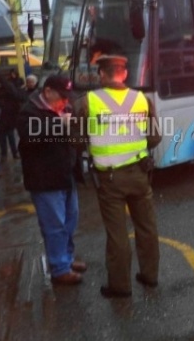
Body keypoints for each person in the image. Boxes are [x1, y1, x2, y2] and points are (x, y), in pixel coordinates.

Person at [73, 54, 161, 298]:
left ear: (102, 74)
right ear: (124, 74)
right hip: (140, 174)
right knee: (146, 226)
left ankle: (120, 286)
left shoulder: (88, 102)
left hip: (109, 179)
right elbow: (155, 138)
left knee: (117, 233)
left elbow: (76, 142)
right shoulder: (141, 99)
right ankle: (150, 276)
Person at [17, 74, 85, 285]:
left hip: (66, 175)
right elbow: (31, 138)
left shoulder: (64, 109)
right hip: (45, 179)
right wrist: (59, 124)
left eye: (67, 96)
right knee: (54, 225)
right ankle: (59, 268)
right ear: (47, 92)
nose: (66, 101)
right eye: (61, 96)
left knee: (70, 221)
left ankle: (67, 258)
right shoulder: (29, 111)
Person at [0, 70, 22, 161]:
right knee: (1, 135)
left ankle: (14, 152)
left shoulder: (7, 86)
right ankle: (4, 153)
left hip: (9, 113)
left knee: (10, 134)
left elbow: (15, 97)